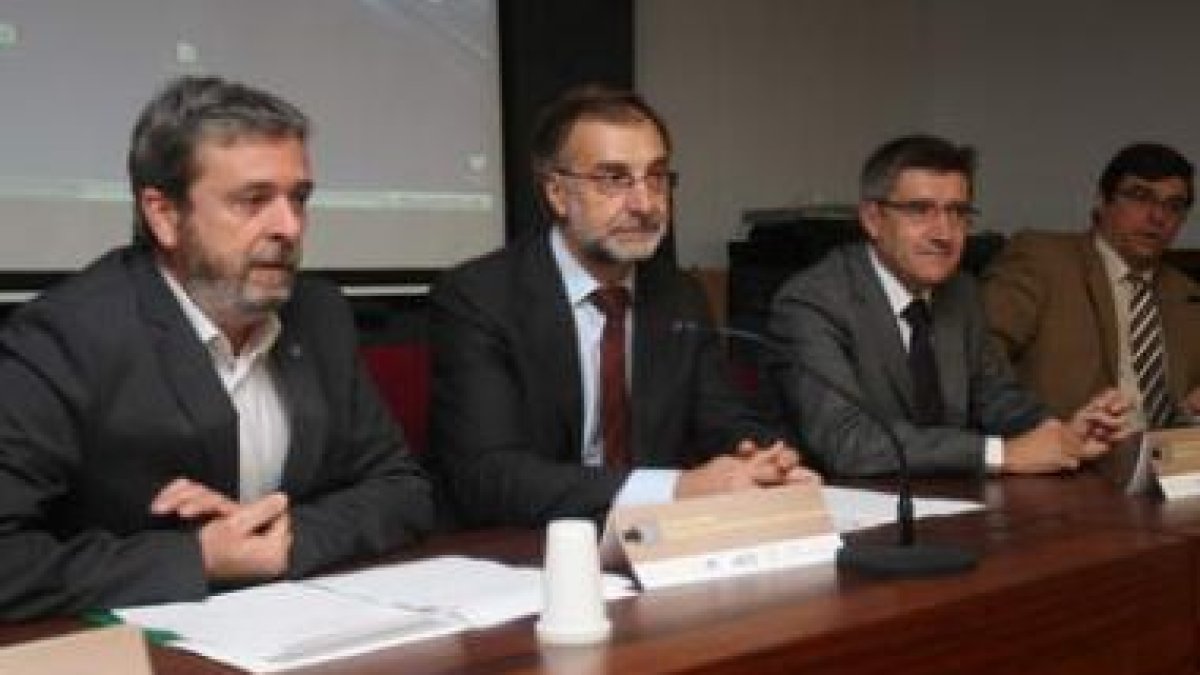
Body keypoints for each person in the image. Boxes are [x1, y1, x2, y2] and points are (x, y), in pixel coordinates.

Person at [0, 76, 433, 619]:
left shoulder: (319, 314)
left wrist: (284, 539)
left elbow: (403, 491)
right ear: (163, 214)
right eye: (253, 201)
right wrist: (198, 557)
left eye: (298, 198)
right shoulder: (68, 336)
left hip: (295, 632)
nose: (289, 226)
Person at [429, 84, 816, 527]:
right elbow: (488, 476)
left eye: (656, 177)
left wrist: (766, 461)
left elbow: (721, 419)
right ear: (557, 193)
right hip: (513, 548)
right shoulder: (479, 297)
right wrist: (673, 489)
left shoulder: (678, 295)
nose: (646, 204)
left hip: (651, 543)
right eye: (614, 179)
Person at [768, 134, 1127, 478]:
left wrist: (1060, 432)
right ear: (873, 219)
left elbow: (996, 399)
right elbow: (848, 442)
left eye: (957, 212)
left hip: (954, 502)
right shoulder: (812, 303)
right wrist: (1001, 454)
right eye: (920, 210)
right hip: (853, 511)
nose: (943, 233)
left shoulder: (961, 292)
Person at [983, 142, 1200, 430]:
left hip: (1167, 462)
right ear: (1101, 199)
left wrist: (1189, 412)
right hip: (1062, 456)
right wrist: (1045, 430)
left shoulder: (1186, 294)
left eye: (1173, 206)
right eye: (1140, 196)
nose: (1158, 217)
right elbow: (979, 354)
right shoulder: (1042, 259)